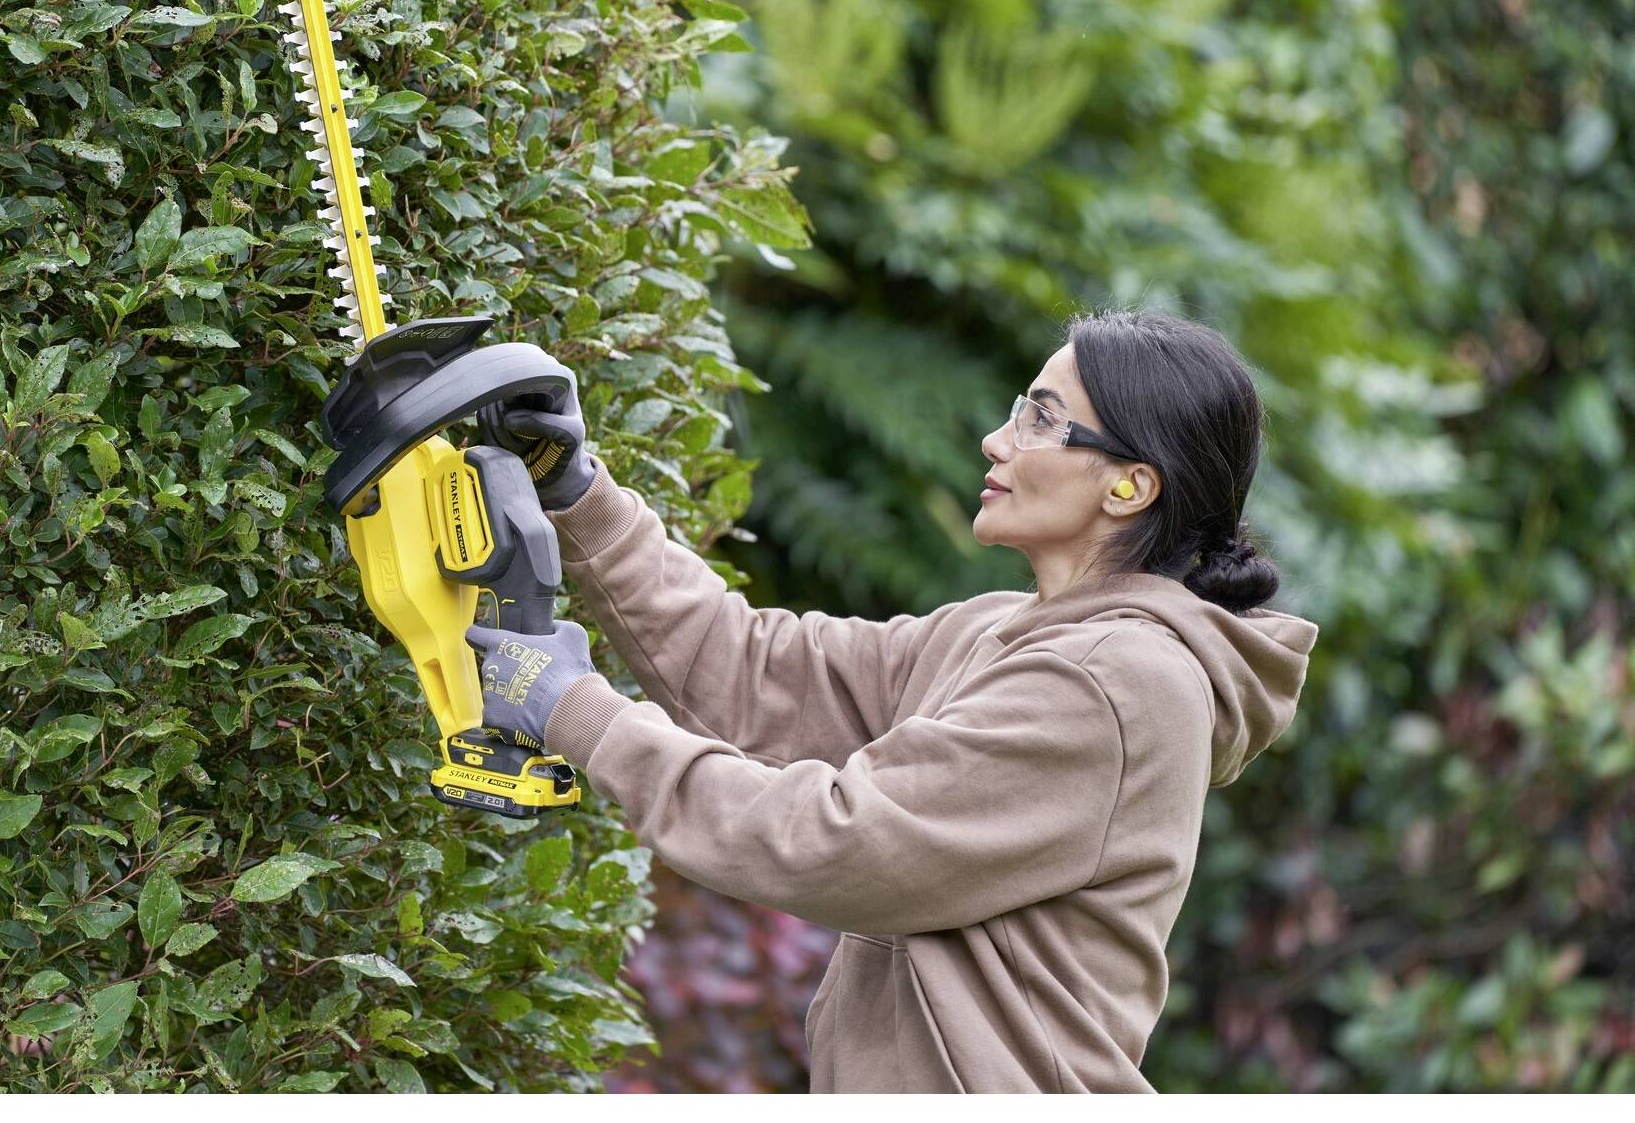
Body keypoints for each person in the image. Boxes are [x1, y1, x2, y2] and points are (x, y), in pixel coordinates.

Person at [465, 307, 1318, 1093]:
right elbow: (756, 670)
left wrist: (574, 709)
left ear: (1128, 486)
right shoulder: (1006, 635)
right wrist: (578, 494)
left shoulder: (1109, 683)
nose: (995, 440)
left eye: (1042, 420)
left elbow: (832, 841)